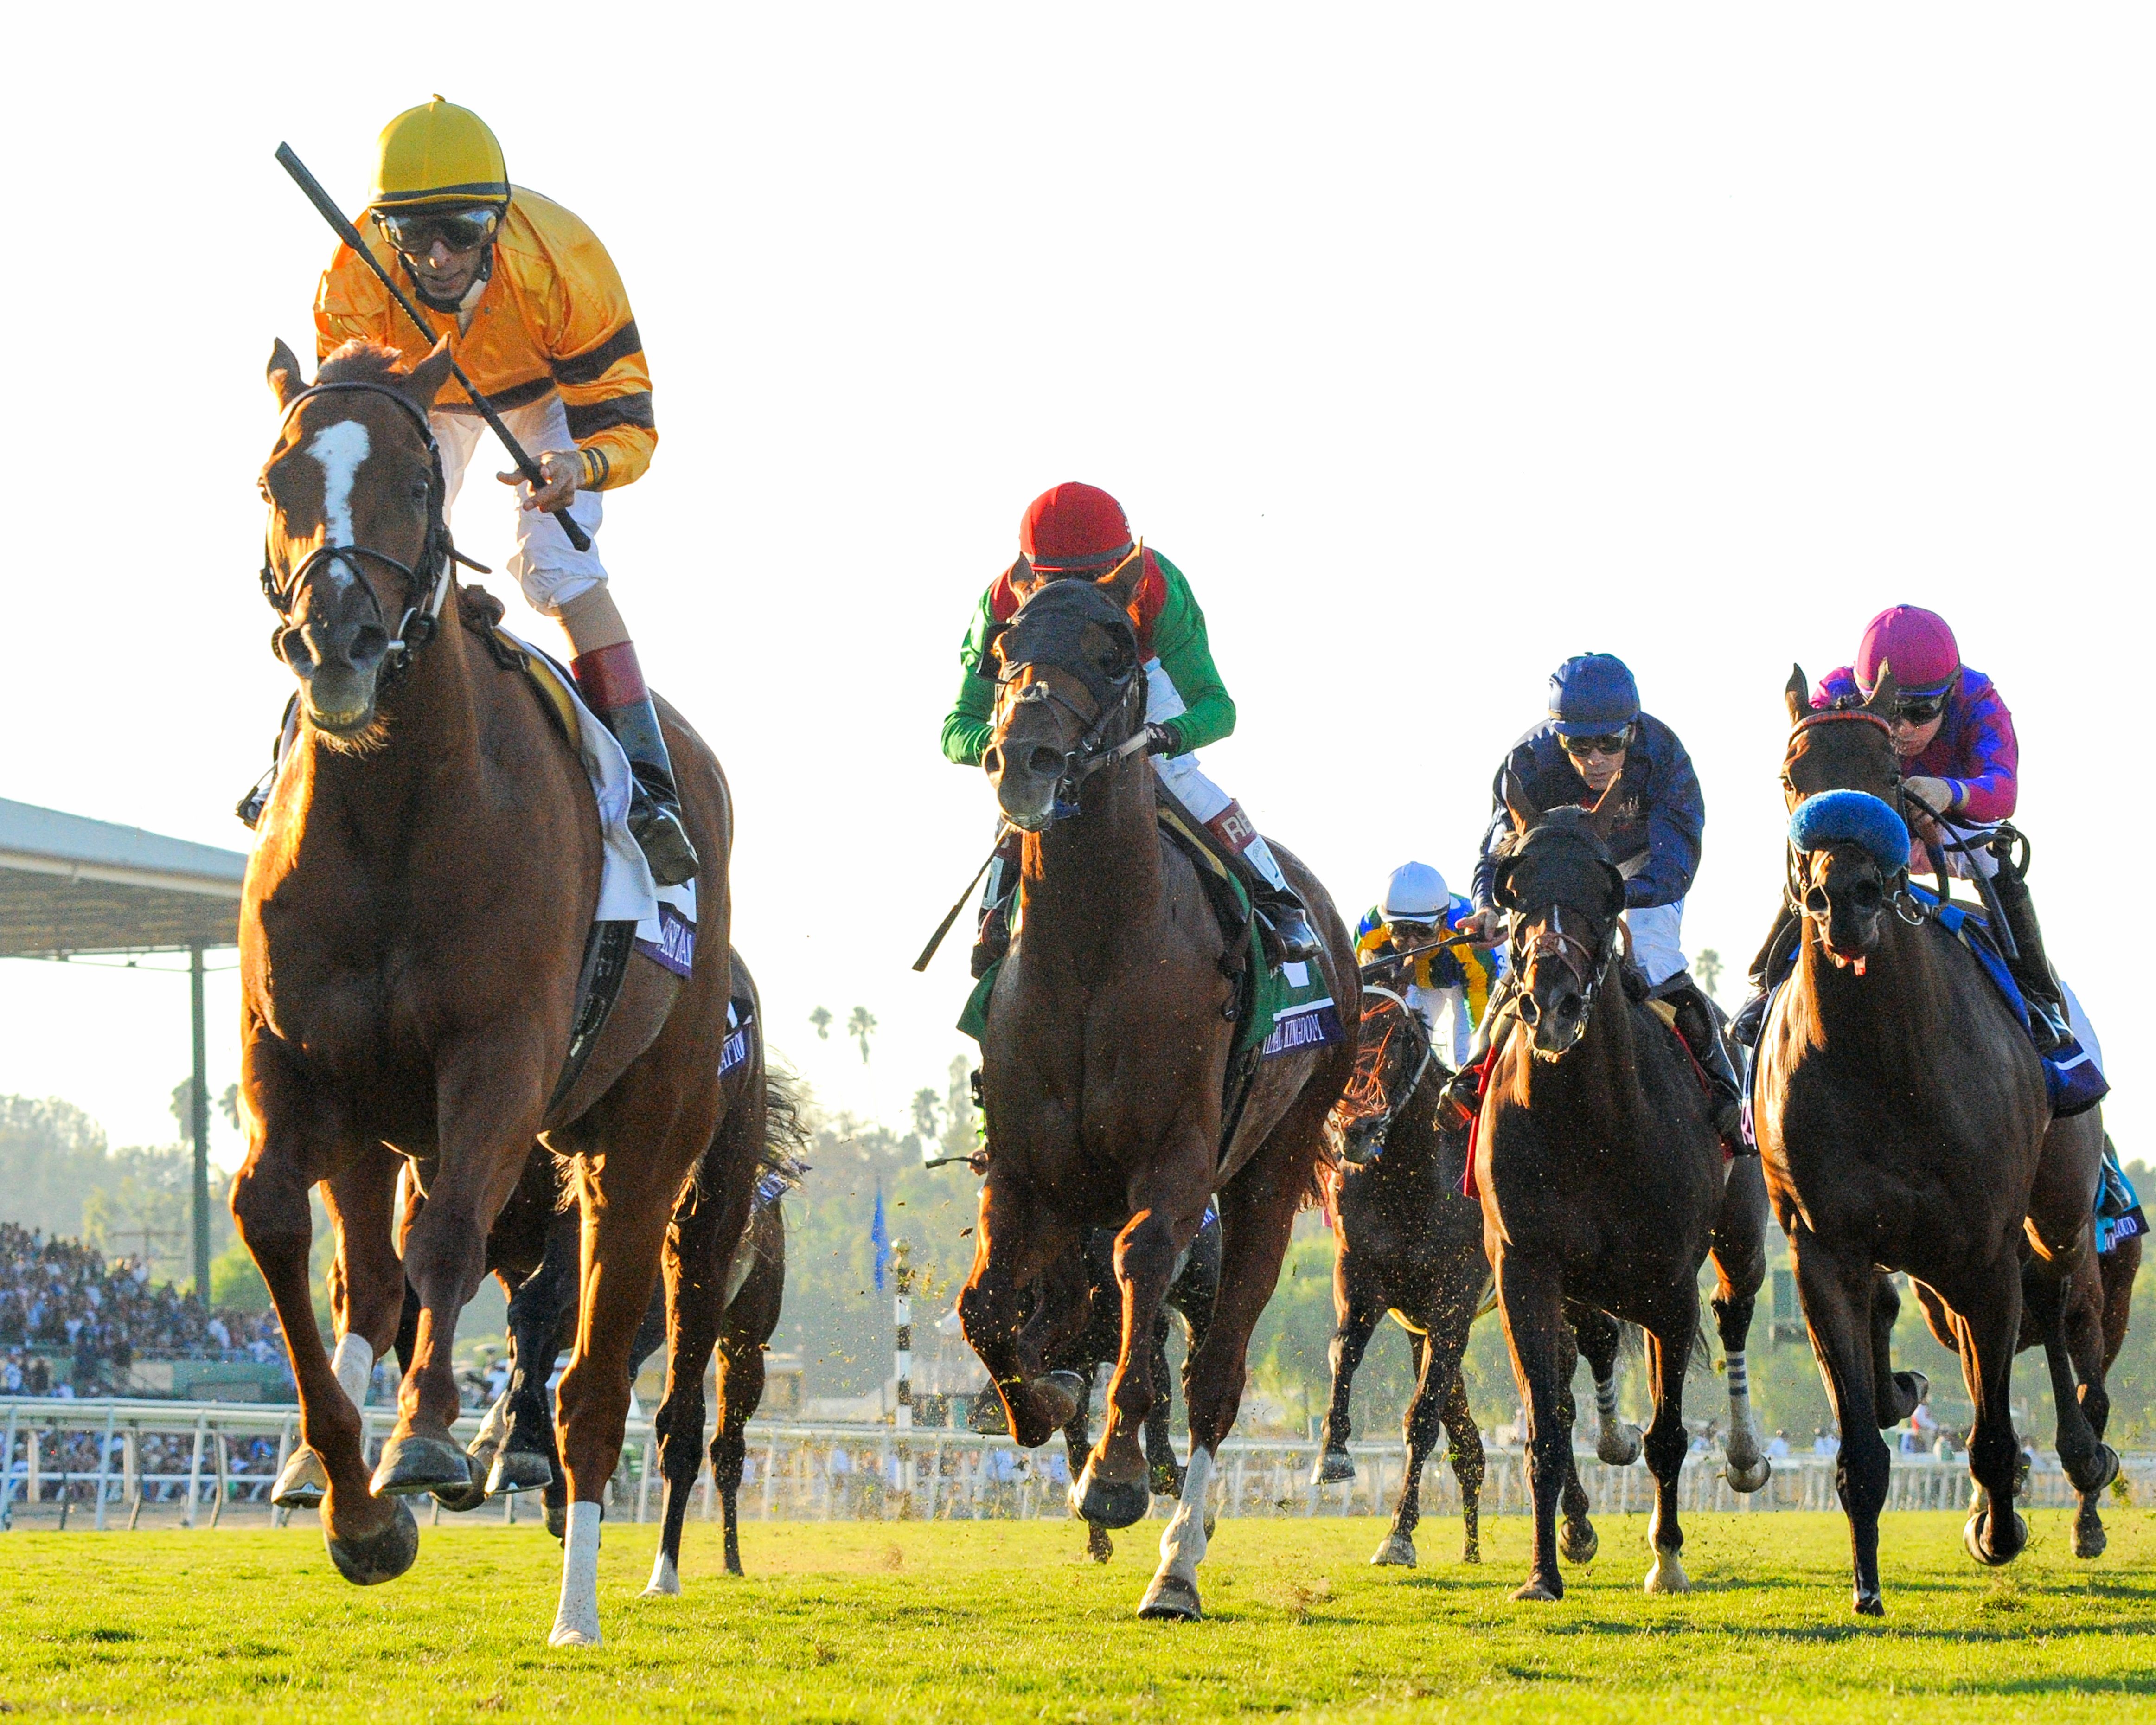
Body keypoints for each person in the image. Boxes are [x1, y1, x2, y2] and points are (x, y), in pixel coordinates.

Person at [301, 98, 695, 884]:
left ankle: (650, 788)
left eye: (463, 230)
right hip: (421, 391)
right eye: (415, 235)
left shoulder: (565, 263)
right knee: (371, 548)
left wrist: (576, 469)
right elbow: (348, 435)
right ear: (386, 230)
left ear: (499, 221)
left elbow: (630, 426)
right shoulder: (350, 281)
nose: (440, 254)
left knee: (555, 564)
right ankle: (301, 746)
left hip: (553, 393)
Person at [943, 482, 1319, 963]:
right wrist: (1006, 747)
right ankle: (993, 919)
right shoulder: (1001, 601)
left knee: (1174, 773)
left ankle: (1276, 901)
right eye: (1057, 582)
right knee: (1022, 791)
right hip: (1043, 700)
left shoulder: (1156, 584)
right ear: (1028, 575)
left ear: (1123, 567)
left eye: (1100, 578)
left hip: (1130, 678)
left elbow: (1215, 706)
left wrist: (1169, 735)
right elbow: (957, 725)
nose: (1079, 597)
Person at [1439, 652, 1742, 1135]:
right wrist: (1487, 907)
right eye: (1579, 745)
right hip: (1557, 874)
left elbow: (1675, 862)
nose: (1594, 758)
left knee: (1651, 949)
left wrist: (1608, 894)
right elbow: (1496, 849)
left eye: (1610, 741)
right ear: (1558, 737)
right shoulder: (1528, 761)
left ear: (1633, 729)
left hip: (1639, 869)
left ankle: (1725, 1084)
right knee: (1533, 954)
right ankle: (1473, 1070)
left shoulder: (1664, 755)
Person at [1354, 861, 1498, 1065]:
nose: (1412, 942)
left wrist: (1477, 1060)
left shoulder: (1465, 937)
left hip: (1466, 985)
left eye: (1423, 931)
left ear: (1442, 922)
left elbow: (1479, 1014)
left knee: (1466, 1057)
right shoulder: (1369, 931)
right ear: (1386, 925)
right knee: (1405, 1048)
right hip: (1413, 984)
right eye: (1401, 930)